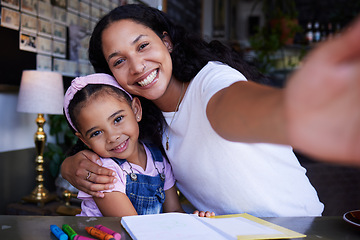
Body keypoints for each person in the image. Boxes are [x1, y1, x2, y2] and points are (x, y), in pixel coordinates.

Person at [61, 4, 360, 217]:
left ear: (166, 42)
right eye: (119, 61)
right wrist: (69, 165)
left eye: (142, 46)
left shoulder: (212, 80)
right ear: (112, 78)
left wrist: (293, 110)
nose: (137, 66)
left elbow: (232, 107)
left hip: (298, 229)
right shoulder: (147, 125)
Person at [63, 73, 214, 217]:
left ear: (136, 110)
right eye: (96, 133)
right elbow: (131, 225)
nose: (113, 137)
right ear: (84, 140)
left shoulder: (158, 161)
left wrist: (195, 222)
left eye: (118, 119)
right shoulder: (105, 172)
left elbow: (174, 211)